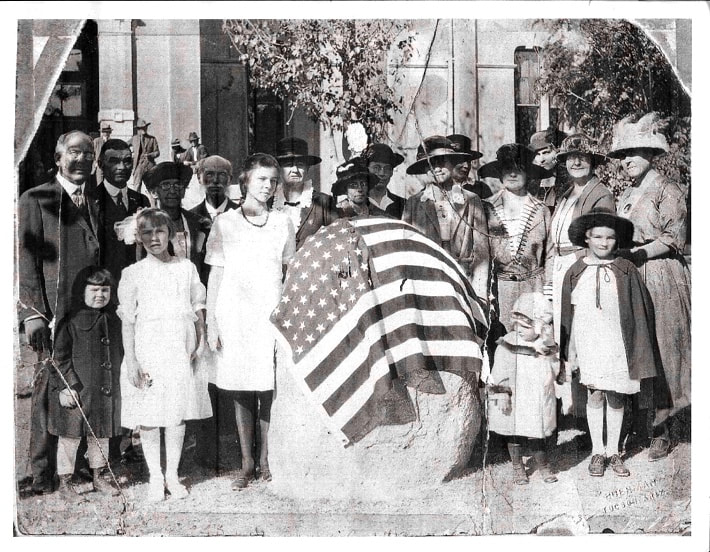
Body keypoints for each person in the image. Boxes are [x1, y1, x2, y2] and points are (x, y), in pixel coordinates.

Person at [205, 153, 296, 490]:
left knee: (269, 386)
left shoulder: (283, 223)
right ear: (245, 182)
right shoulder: (224, 223)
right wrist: (213, 322)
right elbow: (216, 274)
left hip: (269, 314)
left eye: (273, 181)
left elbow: (290, 272)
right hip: (235, 313)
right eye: (261, 180)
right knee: (241, 386)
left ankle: (267, 460)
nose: (268, 186)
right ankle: (246, 463)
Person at [18, 130, 101, 494]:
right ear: (58, 157)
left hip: (88, 314)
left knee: (80, 384)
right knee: (46, 385)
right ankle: (40, 471)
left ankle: (76, 464)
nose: (81, 159)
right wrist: (33, 312)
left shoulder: (94, 200)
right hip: (52, 311)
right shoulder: (36, 199)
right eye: (73, 152)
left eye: (87, 153)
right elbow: (26, 260)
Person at [607, 113, 690, 461]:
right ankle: (642, 421)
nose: (627, 161)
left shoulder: (667, 190)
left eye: (634, 153)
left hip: (660, 274)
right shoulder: (626, 193)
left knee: (665, 346)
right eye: (623, 155)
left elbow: (673, 239)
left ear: (651, 154)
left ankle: (665, 426)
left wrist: (639, 252)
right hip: (632, 274)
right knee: (639, 347)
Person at [118, 208, 211, 502]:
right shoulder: (133, 274)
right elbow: (128, 321)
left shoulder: (186, 268)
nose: (154, 238)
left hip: (179, 347)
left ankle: (172, 473)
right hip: (148, 348)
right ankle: (155, 477)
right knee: (149, 413)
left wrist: (201, 340)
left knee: (176, 413)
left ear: (170, 234)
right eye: (146, 232)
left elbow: (198, 309)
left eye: (160, 231)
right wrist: (132, 360)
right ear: (139, 237)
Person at [560, 209, 660, 477]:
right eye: (598, 237)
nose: (604, 243)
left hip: (617, 342)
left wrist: (637, 348)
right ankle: (597, 451)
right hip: (589, 342)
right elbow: (569, 315)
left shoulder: (626, 269)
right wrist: (571, 351)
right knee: (594, 394)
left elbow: (639, 312)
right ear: (587, 238)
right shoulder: (576, 270)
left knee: (616, 395)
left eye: (610, 238)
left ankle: (614, 451)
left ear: (617, 241)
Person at [48, 267, 122, 501]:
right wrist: (66, 386)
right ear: (83, 291)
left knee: (100, 436)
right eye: (94, 290)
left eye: (105, 290)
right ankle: (65, 483)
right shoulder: (70, 320)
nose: (100, 294)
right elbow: (59, 357)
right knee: (70, 438)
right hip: (77, 392)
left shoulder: (113, 319)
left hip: (103, 391)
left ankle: (99, 476)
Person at [189, 155, 240, 471]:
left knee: (232, 373)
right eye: (209, 174)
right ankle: (205, 447)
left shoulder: (242, 215)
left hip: (233, 305)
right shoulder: (189, 217)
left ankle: (233, 445)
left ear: (231, 179)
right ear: (199, 178)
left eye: (223, 175)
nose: (216, 180)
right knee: (205, 376)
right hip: (201, 305)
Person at [544, 133, 614, 340]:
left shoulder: (601, 195)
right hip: (559, 267)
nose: (576, 162)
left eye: (582, 157)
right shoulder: (565, 195)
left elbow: (602, 244)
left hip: (583, 270)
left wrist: (578, 271)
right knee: (560, 333)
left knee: (580, 333)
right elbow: (552, 240)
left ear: (592, 161)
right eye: (571, 157)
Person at [402, 135, 490, 300]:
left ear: (452, 163)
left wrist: (481, 295)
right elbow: (407, 250)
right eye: (430, 165)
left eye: (442, 162)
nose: (437, 169)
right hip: (426, 284)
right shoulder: (414, 204)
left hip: (464, 284)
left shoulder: (471, 200)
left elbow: (482, 253)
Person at [479, 144, 550, 339]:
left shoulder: (541, 210)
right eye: (507, 168)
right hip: (499, 290)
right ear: (500, 173)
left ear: (527, 172)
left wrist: (547, 291)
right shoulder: (486, 208)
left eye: (518, 168)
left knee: (533, 344)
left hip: (534, 288)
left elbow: (550, 253)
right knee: (502, 345)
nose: (512, 174)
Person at [487, 292, 559, 485]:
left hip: (536, 398)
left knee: (537, 433)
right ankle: (518, 466)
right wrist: (501, 394)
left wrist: (558, 373)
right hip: (515, 398)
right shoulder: (508, 343)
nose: (519, 330)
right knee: (514, 433)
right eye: (517, 325)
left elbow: (553, 366)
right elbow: (499, 370)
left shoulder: (544, 343)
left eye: (526, 327)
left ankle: (543, 464)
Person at [95, 139, 151, 285]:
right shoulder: (90, 200)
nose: (121, 167)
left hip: (138, 282)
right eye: (113, 161)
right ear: (101, 165)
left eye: (127, 161)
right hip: (104, 285)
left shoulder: (142, 200)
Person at [143, 162, 211, 280]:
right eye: (165, 185)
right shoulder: (144, 224)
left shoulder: (197, 222)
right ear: (154, 192)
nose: (173, 191)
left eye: (177, 185)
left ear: (184, 191)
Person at [271, 137, 337, 249]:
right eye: (288, 164)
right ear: (279, 169)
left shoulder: (324, 202)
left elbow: (336, 243)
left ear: (307, 168)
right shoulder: (268, 204)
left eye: (300, 164)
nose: (295, 170)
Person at [363, 143, 406, 218]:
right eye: (376, 168)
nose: (382, 173)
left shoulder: (403, 204)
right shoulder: (356, 203)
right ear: (366, 170)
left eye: (387, 168)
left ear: (391, 173)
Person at [528, 128, 566, 212]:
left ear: (558, 151)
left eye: (546, 152)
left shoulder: (569, 180)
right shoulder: (531, 182)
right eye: (537, 154)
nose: (541, 159)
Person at [446, 133, 491, 200]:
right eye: (461, 160)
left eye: (469, 161)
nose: (466, 166)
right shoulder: (437, 188)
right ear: (447, 161)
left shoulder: (480, 188)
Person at [130, 118, 160, 197]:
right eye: (142, 128)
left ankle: (153, 206)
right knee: (136, 187)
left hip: (150, 165)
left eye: (145, 127)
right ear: (138, 129)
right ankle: (136, 206)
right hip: (138, 166)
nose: (144, 129)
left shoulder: (152, 139)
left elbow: (157, 152)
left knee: (151, 187)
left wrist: (150, 155)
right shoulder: (134, 139)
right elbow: (124, 146)